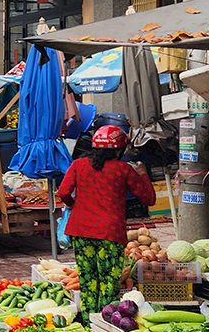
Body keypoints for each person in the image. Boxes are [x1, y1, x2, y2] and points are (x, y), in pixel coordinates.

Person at [57, 125, 156, 316]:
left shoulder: (78, 165)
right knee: (109, 282)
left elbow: (63, 192)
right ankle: (105, 320)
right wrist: (143, 173)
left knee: (87, 280)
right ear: (118, 150)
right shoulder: (123, 170)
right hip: (110, 233)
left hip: (81, 230)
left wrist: (71, 204)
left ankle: (88, 321)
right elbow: (149, 199)